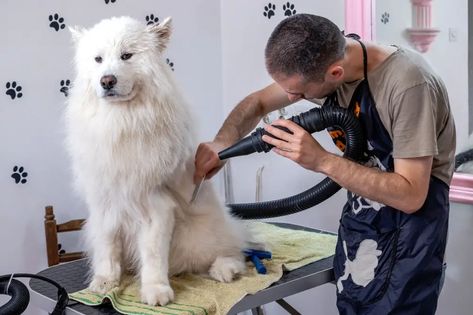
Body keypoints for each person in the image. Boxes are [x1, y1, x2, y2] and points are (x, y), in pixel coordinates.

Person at [194, 13, 456, 314]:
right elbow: (257, 103)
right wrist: (221, 143)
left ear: (334, 73)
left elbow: (411, 195)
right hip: (362, 224)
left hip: (412, 236)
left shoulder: (408, 86)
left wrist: (321, 161)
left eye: (300, 93)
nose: (291, 97)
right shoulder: (328, 65)